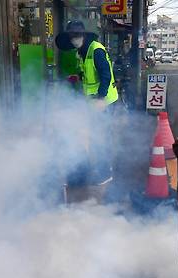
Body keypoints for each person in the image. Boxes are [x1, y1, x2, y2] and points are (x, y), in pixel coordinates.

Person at [55, 20, 118, 202]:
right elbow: (89, 74)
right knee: (95, 136)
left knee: (102, 136)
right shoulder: (81, 51)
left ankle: (105, 174)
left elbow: (106, 75)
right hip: (94, 101)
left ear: (83, 35)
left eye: (77, 36)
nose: (75, 40)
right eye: (72, 37)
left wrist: (100, 99)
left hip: (104, 101)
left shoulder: (95, 50)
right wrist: (78, 77)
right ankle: (101, 168)